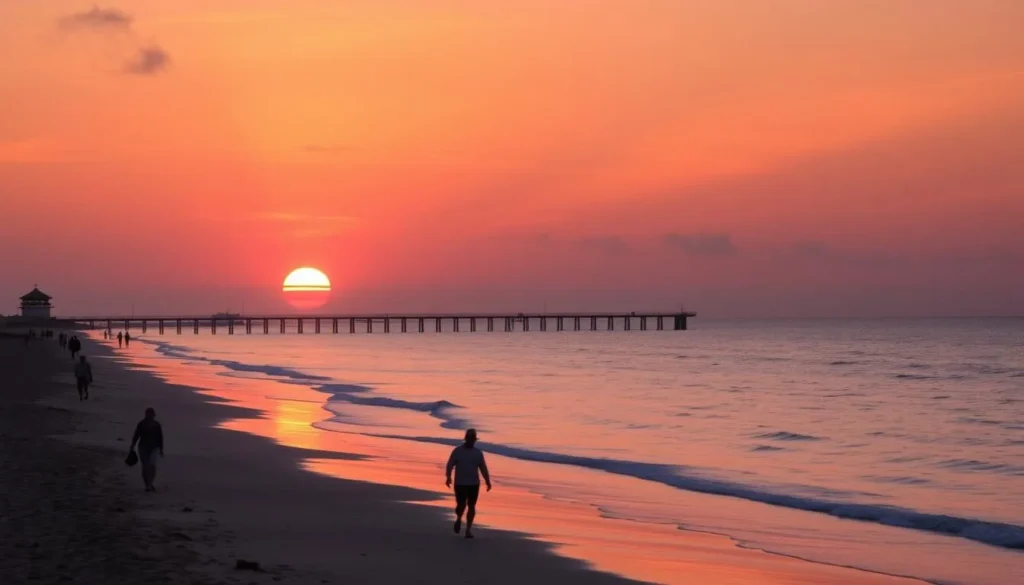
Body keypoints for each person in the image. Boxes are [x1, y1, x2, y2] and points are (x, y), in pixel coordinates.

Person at [445, 428, 492, 539]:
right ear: (466, 439)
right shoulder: (457, 451)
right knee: (461, 505)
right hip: (460, 483)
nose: (471, 440)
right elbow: (450, 464)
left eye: (473, 439)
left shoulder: (478, 453)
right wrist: (448, 477)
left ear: (475, 440)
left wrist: (487, 481)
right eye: (470, 438)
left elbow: (483, 468)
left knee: (471, 506)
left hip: (474, 484)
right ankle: (459, 518)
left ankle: (468, 530)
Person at [129, 408, 164, 492]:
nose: (150, 416)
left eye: (151, 414)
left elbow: (160, 437)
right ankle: (147, 485)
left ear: (154, 415)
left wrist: (161, 449)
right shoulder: (141, 424)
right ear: (146, 415)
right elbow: (136, 435)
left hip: (154, 448)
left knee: (152, 467)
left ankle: (150, 483)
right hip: (143, 447)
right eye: (148, 414)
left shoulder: (156, 425)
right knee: (145, 466)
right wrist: (133, 445)